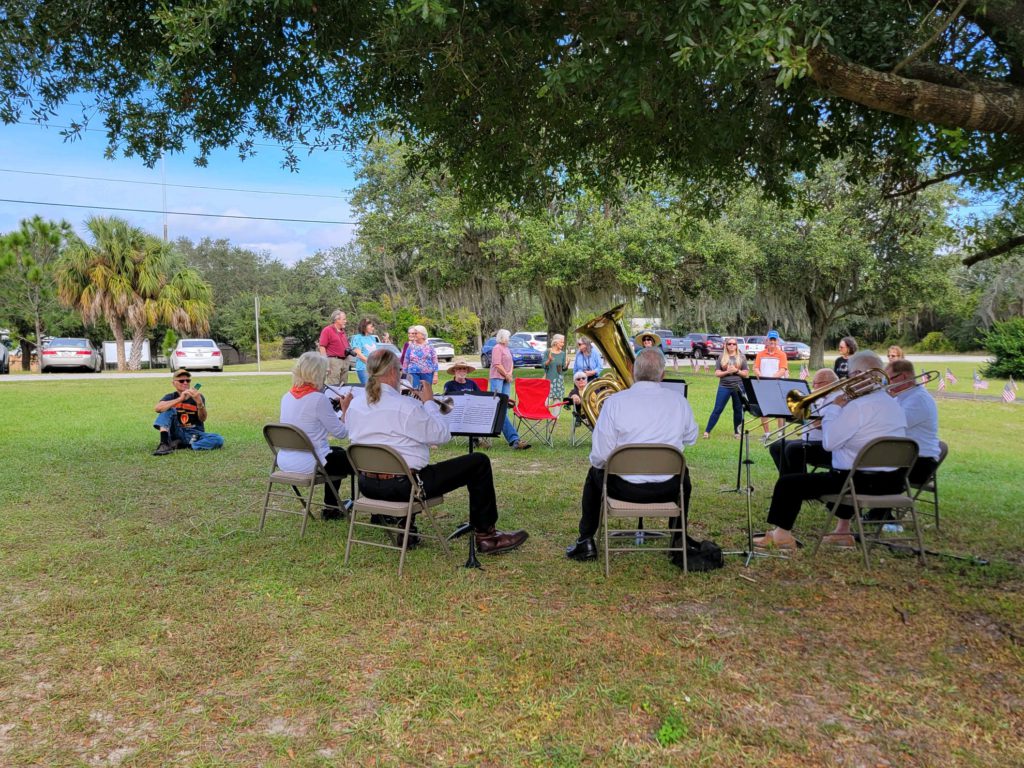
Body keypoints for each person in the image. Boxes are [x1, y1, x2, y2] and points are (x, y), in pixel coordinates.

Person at [346, 349, 529, 554]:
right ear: (391, 372)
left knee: (407, 460)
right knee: (478, 462)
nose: (401, 374)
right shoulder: (405, 407)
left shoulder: (355, 405)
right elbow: (442, 436)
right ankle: (487, 537)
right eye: (399, 369)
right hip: (405, 487)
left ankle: (406, 531)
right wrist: (428, 403)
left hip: (367, 485)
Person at [753, 350, 908, 550]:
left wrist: (835, 407)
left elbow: (829, 444)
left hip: (858, 482)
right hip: (893, 481)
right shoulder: (892, 403)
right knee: (845, 465)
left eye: (851, 375)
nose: (848, 380)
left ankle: (781, 534)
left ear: (859, 374)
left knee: (788, 483)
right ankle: (843, 531)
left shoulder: (857, 406)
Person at [565, 349, 699, 561]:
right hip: (668, 489)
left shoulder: (614, 403)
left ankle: (585, 540)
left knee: (594, 473)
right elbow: (691, 438)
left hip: (623, 489)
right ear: (662, 375)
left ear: (633, 374)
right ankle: (677, 539)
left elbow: (599, 457)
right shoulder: (679, 402)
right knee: (684, 475)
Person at [278, 351, 353, 519]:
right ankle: (334, 507)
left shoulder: (286, 397)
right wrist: (346, 409)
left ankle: (332, 507)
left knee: (337, 453)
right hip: (311, 461)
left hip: (285, 459)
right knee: (353, 457)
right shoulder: (318, 399)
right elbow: (341, 433)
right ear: (317, 373)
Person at [768, 368, 839, 474]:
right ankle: (787, 482)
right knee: (776, 446)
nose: (813, 386)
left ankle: (800, 485)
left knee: (793, 449)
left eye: (816, 383)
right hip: (810, 440)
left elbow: (819, 424)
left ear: (828, 383)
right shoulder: (819, 397)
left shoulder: (837, 399)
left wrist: (805, 412)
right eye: (813, 383)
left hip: (825, 444)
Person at [887, 359, 940, 485]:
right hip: (907, 458)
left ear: (904, 376)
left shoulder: (918, 399)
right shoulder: (902, 396)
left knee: (863, 473)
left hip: (921, 463)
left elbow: (893, 426)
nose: (887, 383)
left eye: (890, 379)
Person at [152, 368, 225, 455]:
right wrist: (180, 399)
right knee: (167, 409)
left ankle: (187, 445)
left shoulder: (198, 397)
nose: (185, 383)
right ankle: (164, 444)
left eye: (188, 380)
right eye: (181, 381)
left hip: (194, 433)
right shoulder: (170, 396)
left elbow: (202, 419)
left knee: (218, 439)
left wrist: (200, 403)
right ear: (174, 383)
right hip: (176, 431)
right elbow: (158, 408)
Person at [488, 329, 531, 450]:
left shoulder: (507, 349)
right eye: (508, 337)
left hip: (506, 379)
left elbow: (511, 363)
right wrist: (506, 374)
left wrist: (509, 374)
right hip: (497, 378)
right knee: (499, 408)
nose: (509, 339)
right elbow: (497, 364)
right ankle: (514, 439)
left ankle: (513, 438)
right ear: (502, 338)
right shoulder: (497, 348)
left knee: (504, 408)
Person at [702, 336, 748, 439]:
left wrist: (736, 371)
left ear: (737, 346)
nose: (732, 345)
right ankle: (707, 431)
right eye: (729, 344)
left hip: (738, 387)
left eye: (734, 344)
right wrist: (727, 371)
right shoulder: (721, 357)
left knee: (737, 409)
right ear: (726, 346)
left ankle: (737, 432)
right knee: (717, 409)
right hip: (724, 387)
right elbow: (717, 373)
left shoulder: (742, 357)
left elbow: (745, 374)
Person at [444, 361, 490, 449]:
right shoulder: (449, 385)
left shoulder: (472, 383)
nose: (462, 371)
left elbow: (480, 397)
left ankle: (514, 440)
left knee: (500, 413)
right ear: (454, 371)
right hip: (458, 412)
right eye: (459, 369)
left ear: (467, 371)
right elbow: (446, 401)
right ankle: (476, 440)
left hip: (474, 410)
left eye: (464, 369)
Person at [754, 330, 789, 437]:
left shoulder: (782, 354)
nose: (772, 341)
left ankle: (780, 433)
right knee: (764, 409)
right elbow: (756, 368)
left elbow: (782, 370)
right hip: (764, 385)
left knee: (779, 409)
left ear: (777, 341)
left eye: (774, 339)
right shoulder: (760, 354)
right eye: (771, 339)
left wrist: (771, 378)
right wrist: (759, 374)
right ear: (767, 340)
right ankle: (767, 433)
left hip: (777, 385)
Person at [317, 310, 351, 386]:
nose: (346, 321)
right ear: (337, 320)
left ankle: (342, 398)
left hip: (345, 360)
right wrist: (325, 363)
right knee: (334, 385)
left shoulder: (342, 331)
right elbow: (322, 347)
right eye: (344, 319)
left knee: (344, 385)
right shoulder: (327, 330)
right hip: (334, 361)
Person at [403, 325, 438, 391]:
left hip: (427, 373)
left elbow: (435, 360)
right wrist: (404, 374)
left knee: (426, 392)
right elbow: (406, 360)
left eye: (416, 333)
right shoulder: (411, 346)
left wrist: (435, 374)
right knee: (415, 392)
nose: (414, 335)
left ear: (422, 335)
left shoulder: (430, 346)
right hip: (413, 373)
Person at [350, 318, 379, 385]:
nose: (373, 328)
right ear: (365, 326)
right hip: (363, 368)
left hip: (374, 369)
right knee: (368, 388)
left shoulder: (372, 338)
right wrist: (370, 363)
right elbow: (358, 354)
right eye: (371, 326)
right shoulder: (357, 338)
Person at [544, 333, 567, 404]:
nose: (563, 344)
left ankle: (555, 415)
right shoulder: (547, 352)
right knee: (546, 401)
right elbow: (543, 365)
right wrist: (549, 360)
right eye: (561, 342)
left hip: (559, 381)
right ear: (556, 342)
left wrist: (567, 365)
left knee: (557, 401)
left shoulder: (563, 354)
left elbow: (563, 369)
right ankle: (543, 414)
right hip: (549, 380)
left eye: (563, 342)